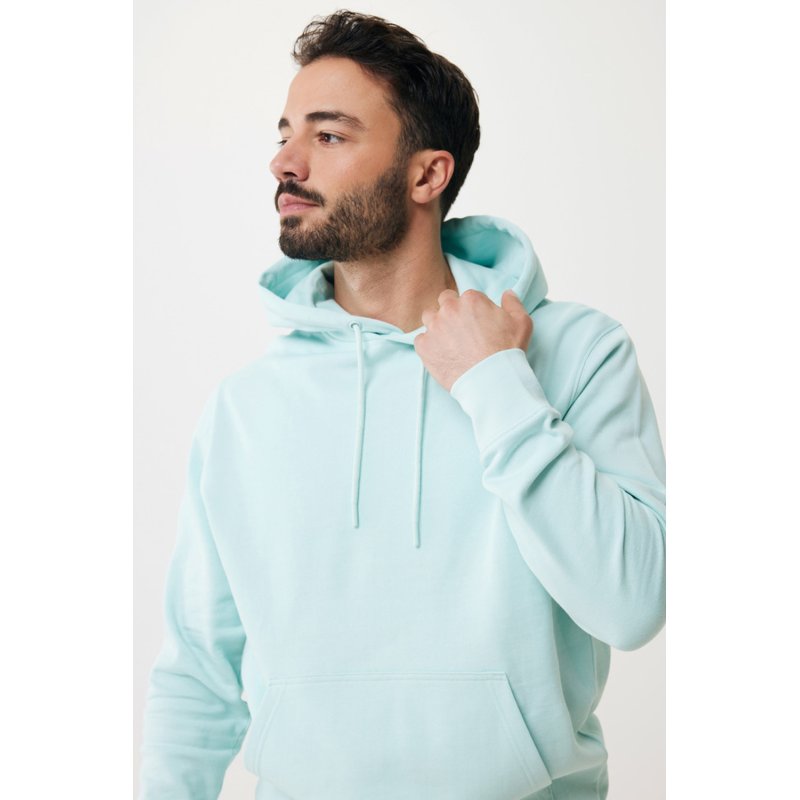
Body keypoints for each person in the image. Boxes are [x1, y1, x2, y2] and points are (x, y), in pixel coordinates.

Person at [139, 10, 666, 800]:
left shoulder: (576, 353)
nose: (284, 162)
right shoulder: (245, 407)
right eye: (285, 133)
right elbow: (198, 674)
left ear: (427, 176)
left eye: (328, 135)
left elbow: (634, 603)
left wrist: (495, 383)